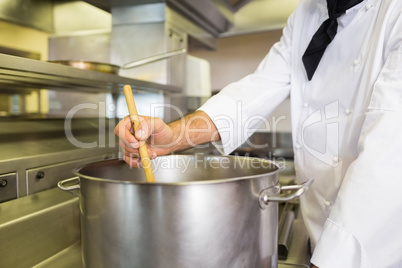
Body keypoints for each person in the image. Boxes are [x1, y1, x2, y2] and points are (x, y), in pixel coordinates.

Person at [115, 0, 402, 267]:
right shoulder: (307, 13)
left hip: (380, 252)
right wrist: (175, 136)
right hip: (320, 240)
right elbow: (259, 88)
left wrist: (334, 259)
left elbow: (389, 152)